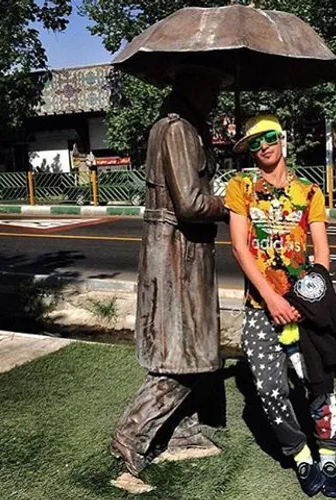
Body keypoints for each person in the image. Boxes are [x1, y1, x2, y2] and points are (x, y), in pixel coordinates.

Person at [110, 65, 231, 494]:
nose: (216, 97)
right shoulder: (176, 129)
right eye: (211, 87)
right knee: (180, 355)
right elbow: (192, 203)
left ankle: (182, 432)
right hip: (176, 253)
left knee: (194, 348)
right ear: (190, 86)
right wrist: (232, 201)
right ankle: (129, 439)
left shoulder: (184, 127)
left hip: (186, 252)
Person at [224, 114, 336, 498]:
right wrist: (272, 298)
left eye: (270, 137)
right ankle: (300, 453)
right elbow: (240, 248)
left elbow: (322, 251)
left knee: (319, 384)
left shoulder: (310, 193)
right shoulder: (240, 188)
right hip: (261, 306)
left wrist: (312, 294)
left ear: (283, 139)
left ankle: (327, 453)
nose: (264, 146)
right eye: (255, 142)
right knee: (270, 388)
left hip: (303, 305)